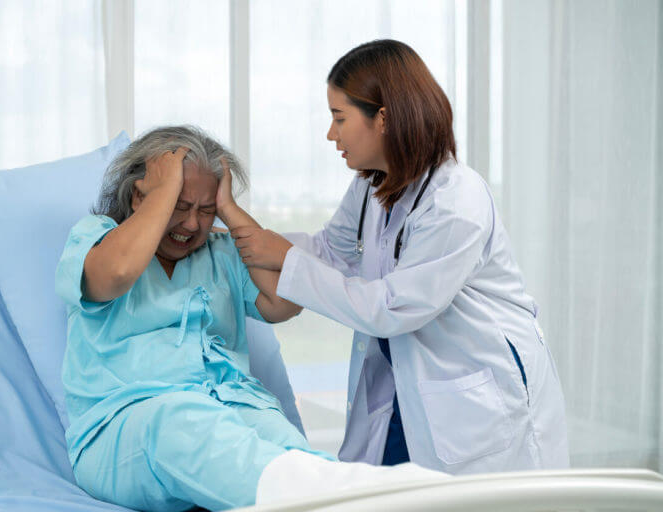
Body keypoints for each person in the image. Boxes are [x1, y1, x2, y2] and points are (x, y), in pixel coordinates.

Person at [55, 125, 447, 512]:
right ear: (140, 196)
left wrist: (229, 209)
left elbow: (284, 302)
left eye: (205, 210)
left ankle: (363, 499)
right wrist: (163, 190)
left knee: (283, 444)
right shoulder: (98, 238)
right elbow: (118, 272)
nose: (192, 224)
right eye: (179, 205)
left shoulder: (220, 251)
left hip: (233, 409)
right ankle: (361, 497)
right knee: (180, 421)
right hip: (124, 431)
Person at [231, 39, 570, 474]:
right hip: (408, 389)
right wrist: (228, 225)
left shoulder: (454, 202)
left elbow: (391, 307)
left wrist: (285, 258)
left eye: (339, 118)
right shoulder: (372, 186)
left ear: (383, 118)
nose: (330, 134)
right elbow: (328, 250)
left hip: (477, 399)